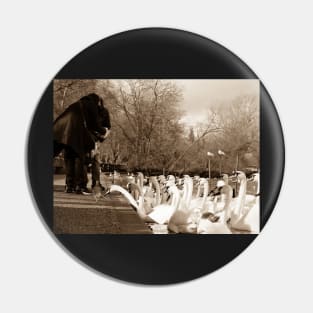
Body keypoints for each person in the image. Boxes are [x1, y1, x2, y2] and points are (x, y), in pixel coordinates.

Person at [53, 93, 108, 194]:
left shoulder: (77, 104)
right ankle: (80, 186)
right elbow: (94, 124)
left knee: (69, 158)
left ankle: (69, 186)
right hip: (74, 133)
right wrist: (104, 131)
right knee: (79, 157)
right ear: (96, 101)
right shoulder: (92, 105)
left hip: (60, 130)